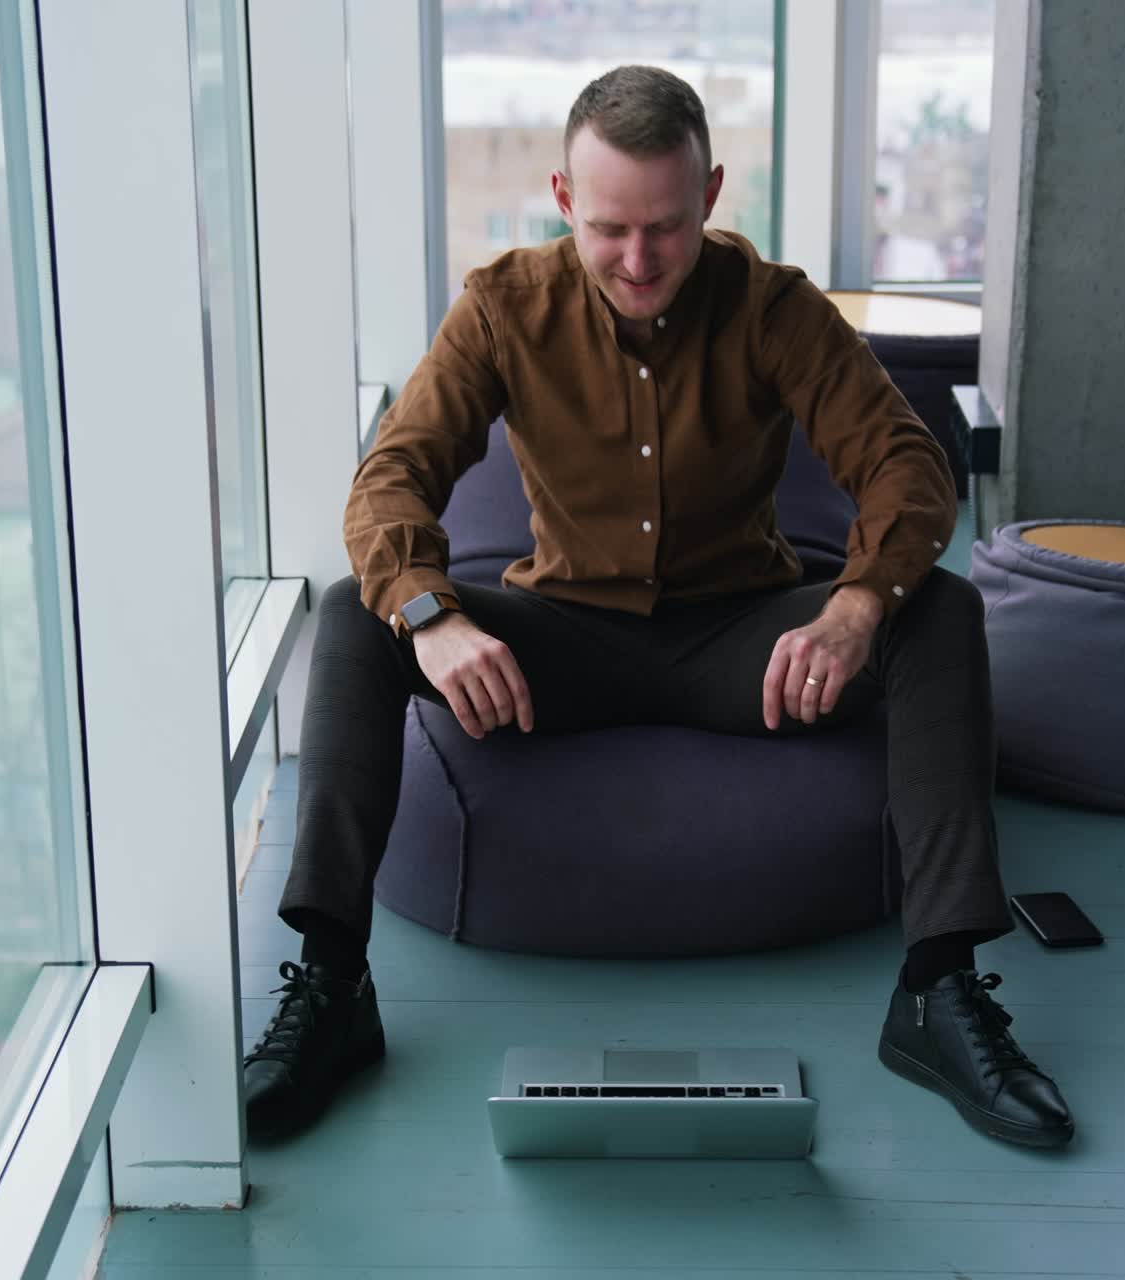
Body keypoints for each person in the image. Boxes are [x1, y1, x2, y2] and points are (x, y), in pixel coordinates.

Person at [243, 65, 1074, 1150]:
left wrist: (856, 604)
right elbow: (389, 478)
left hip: (746, 634)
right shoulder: (501, 306)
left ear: (711, 194)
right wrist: (436, 616)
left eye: (667, 229)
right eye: (609, 229)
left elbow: (906, 468)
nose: (638, 260)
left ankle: (937, 989)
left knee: (940, 610)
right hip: (564, 637)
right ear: (559, 196)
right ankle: (333, 987)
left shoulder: (774, 305)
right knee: (362, 609)